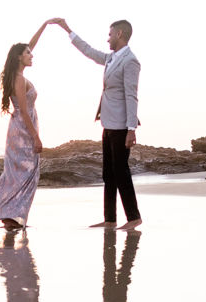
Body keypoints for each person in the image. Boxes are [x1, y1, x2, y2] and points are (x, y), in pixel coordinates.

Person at [54, 18, 142, 230]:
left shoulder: (130, 61)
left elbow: (132, 95)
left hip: (121, 126)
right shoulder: (112, 58)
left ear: (120, 34)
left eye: (110, 34)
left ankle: (134, 217)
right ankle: (110, 219)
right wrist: (68, 30)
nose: (108, 38)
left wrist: (132, 129)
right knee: (108, 173)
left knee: (121, 171)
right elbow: (89, 51)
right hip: (108, 123)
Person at [0, 19, 60, 231]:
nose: (32, 55)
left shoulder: (19, 74)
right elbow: (23, 111)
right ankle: (9, 215)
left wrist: (45, 26)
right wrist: (35, 137)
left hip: (21, 127)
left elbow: (30, 45)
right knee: (24, 174)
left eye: (31, 53)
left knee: (23, 174)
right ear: (19, 57)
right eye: (28, 54)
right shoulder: (18, 79)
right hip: (23, 130)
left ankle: (12, 216)